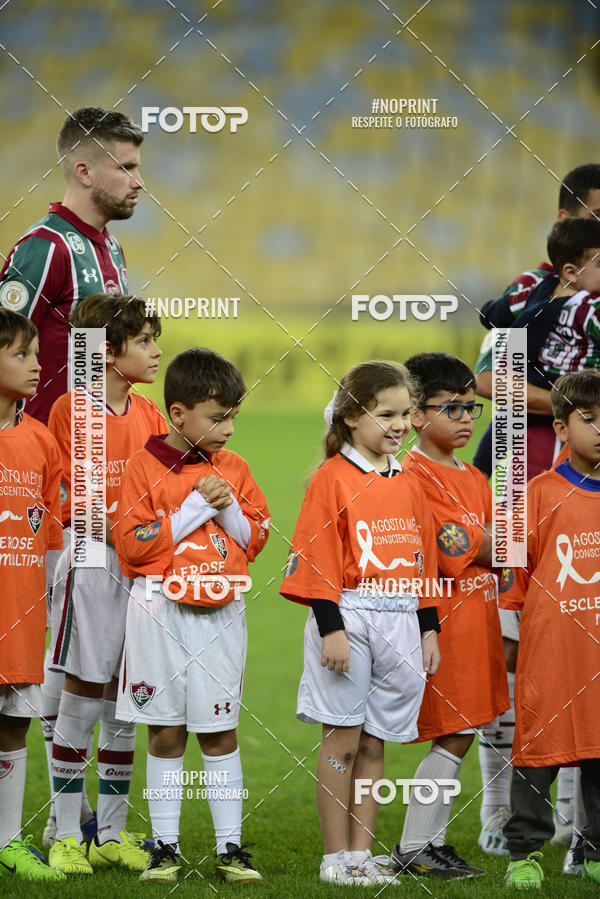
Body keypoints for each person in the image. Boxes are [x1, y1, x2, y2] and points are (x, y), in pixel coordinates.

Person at [281, 361, 441, 886]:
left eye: (405, 415)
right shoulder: (331, 479)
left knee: (375, 745)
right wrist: (332, 630)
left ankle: (361, 855)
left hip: (401, 622)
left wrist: (428, 628)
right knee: (343, 743)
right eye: (386, 415)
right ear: (351, 417)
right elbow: (318, 557)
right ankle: (334, 859)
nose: (399, 426)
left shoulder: (409, 480)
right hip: (349, 620)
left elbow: (423, 560)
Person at [113, 347, 270, 885]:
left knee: (219, 731)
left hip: (220, 613)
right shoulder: (142, 467)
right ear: (178, 414)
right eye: (217, 418)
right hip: (158, 612)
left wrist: (226, 506)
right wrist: (195, 509)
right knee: (165, 733)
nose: (229, 429)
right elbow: (133, 547)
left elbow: (254, 540)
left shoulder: (236, 468)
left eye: (233, 417)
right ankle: (165, 850)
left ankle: (231, 849)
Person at [477, 214, 600, 857]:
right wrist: (573, 402)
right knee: (512, 654)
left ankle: (582, 832)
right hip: (519, 483)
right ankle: (501, 815)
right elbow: (487, 382)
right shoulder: (528, 297)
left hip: (582, 498)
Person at [46, 294, 164, 876]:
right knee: (82, 694)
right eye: (144, 341)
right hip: (92, 561)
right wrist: (132, 533)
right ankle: (66, 833)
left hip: (139, 569)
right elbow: (75, 496)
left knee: (125, 699)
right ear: (109, 352)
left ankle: (110, 833)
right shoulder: (71, 409)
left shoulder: (152, 415)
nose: (156, 351)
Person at [390, 353, 509, 880]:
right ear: (417, 414)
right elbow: (461, 545)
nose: (466, 419)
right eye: (452, 408)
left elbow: (496, 544)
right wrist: (494, 543)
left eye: (471, 408)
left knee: (463, 730)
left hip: (479, 619)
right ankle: (416, 845)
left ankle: (431, 844)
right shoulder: (412, 475)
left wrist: (493, 544)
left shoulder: (473, 476)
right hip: (443, 624)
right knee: (454, 732)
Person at [501, 370, 600, 889]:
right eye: (589, 419)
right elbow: (513, 583)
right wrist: (511, 642)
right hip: (553, 654)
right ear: (561, 427)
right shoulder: (537, 494)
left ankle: (595, 852)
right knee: (539, 751)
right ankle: (524, 852)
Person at [0, 106, 144, 425]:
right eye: (125, 168)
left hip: (94, 444)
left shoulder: (112, 247)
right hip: (47, 448)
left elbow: (91, 358)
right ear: (84, 173)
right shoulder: (46, 247)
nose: (139, 182)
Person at [473, 163, 600, 480]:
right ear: (566, 220)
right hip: (538, 453)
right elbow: (490, 380)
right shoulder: (534, 286)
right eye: (597, 217)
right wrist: (578, 406)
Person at [0, 309, 64, 881]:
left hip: (20, 618)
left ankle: (7, 840)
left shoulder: (42, 440)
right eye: (21, 354)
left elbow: (50, 539)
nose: (36, 365)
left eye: (37, 354)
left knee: (14, 724)